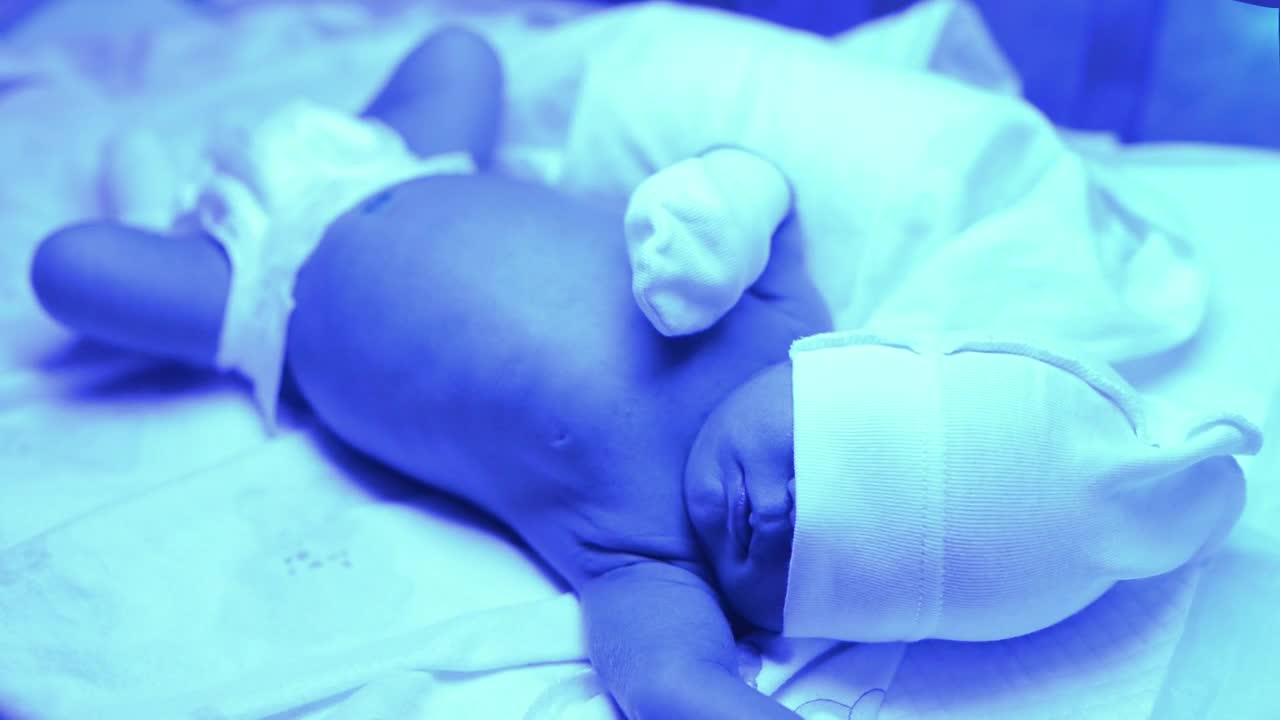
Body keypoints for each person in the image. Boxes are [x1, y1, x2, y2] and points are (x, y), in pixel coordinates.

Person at [29, 20, 1260, 719]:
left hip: (268, 305)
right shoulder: (778, 316)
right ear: (842, 376)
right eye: (809, 467)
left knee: (71, 273)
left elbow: (669, 685)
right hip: (419, 161)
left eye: (796, 564)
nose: (764, 517)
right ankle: (206, 174)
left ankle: (166, 200)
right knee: (465, 46)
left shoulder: (648, 557)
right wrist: (714, 211)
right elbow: (760, 191)